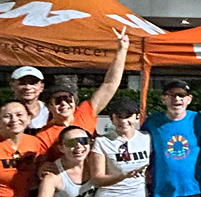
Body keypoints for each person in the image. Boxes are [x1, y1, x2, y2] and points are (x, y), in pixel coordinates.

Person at [33, 28, 130, 158]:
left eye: (68, 99)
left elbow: (109, 84)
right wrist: (43, 167)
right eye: (58, 100)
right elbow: (38, 162)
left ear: (74, 101)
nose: (64, 104)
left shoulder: (85, 113)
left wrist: (122, 50)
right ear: (49, 106)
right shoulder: (44, 136)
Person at [0, 66, 49, 141]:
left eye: (33, 83)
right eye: (22, 83)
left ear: (41, 87)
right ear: (12, 86)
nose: (28, 87)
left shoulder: (50, 112)